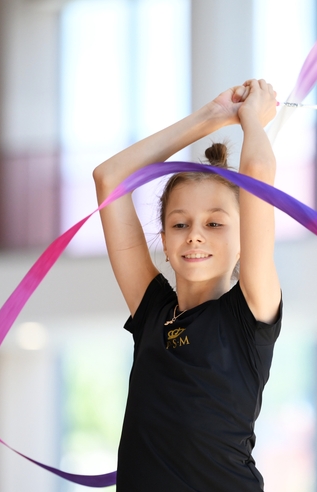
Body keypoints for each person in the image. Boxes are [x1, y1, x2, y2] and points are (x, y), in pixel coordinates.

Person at [93, 79, 282, 491]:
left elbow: (258, 171)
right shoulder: (152, 311)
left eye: (215, 224)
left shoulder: (250, 311)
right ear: (163, 236)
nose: (195, 235)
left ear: (242, 238)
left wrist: (252, 120)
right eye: (180, 224)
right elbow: (109, 177)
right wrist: (211, 116)